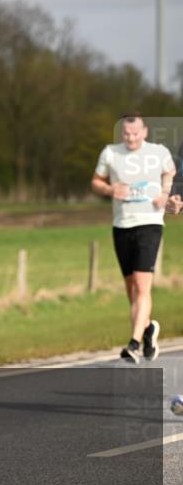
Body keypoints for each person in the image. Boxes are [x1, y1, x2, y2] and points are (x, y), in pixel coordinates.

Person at [91, 112, 174, 364]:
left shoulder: (158, 152)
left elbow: (169, 173)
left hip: (149, 222)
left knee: (141, 284)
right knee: (131, 289)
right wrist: (109, 189)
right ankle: (147, 329)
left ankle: (134, 343)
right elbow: (96, 182)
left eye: (135, 133)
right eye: (126, 134)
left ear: (145, 132)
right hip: (122, 225)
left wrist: (165, 193)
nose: (131, 138)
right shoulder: (110, 153)